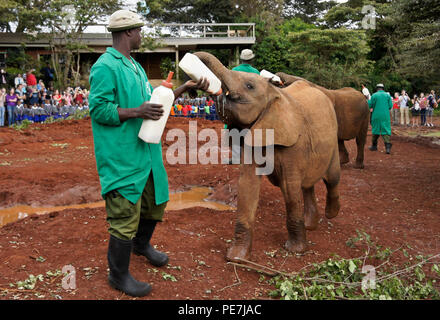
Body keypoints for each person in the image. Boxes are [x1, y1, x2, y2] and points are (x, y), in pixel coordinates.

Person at [88, 9, 209, 298]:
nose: (141, 36)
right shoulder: (106, 66)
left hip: (147, 151)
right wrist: (136, 111)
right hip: (122, 154)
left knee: (155, 202)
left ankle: (141, 246)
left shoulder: (135, 66)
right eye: (139, 31)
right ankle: (118, 275)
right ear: (129, 32)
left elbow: (155, 101)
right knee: (124, 212)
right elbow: (98, 109)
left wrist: (183, 88)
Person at [368, 84, 393, 154]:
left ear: (377, 88)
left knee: (375, 129)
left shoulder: (374, 95)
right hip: (385, 115)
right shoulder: (387, 95)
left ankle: (374, 146)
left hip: (376, 115)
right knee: (386, 130)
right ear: (383, 88)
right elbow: (390, 106)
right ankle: (387, 148)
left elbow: (369, 105)